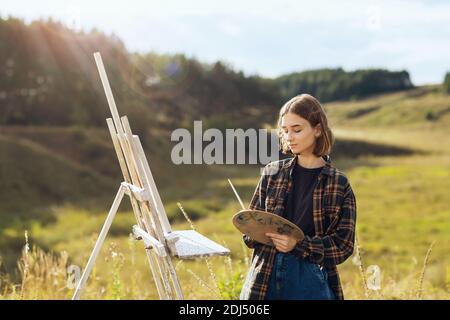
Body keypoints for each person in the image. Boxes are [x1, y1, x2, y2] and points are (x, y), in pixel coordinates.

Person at [239, 94, 357, 300]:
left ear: (318, 130)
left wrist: (298, 245)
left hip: (308, 278)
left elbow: (343, 245)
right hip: (263, 276)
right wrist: (255, 232)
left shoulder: (338, 183)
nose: (289, 137)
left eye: (297, 129)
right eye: (284, 131)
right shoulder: (272, 172)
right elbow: (249, 233)